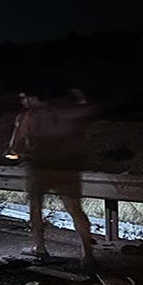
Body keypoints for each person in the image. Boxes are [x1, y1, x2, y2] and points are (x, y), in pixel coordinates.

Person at [9, 90, 96, 273]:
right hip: (67, 168)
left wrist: (18, 153)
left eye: (24, 97)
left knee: (36, 207)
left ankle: (40, 248)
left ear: (33, 98)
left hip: (39, 167)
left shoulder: (29, 116)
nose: (23, 101)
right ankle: (88, 254)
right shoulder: (67, 113)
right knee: (75, 209)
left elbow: (16, 144)